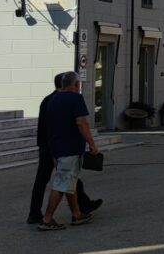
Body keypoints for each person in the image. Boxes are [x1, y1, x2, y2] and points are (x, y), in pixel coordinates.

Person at [28, 74, 101, 224]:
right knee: (63, 181)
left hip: (53, 146)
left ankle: (78, 211)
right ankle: (47, 218)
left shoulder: (50, 100)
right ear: (73, 84)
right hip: (64, 147)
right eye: (78, 84)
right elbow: (82, 123)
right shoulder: (73, 99)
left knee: (69, 180)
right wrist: (92, 144)